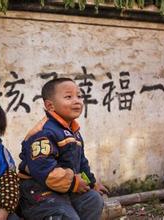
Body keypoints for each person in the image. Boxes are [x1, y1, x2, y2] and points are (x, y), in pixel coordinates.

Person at [18, 78, 108, 220]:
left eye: (79, 96)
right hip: (39, 189)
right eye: (68, 97)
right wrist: (74, 183)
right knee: (65, 215)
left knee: (93, 200)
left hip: (65, 189)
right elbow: (44, 170)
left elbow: (81, 163)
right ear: (50, 106)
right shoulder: (44, 133)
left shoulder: (73, 131)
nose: (77, 100)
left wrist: (91, 182)